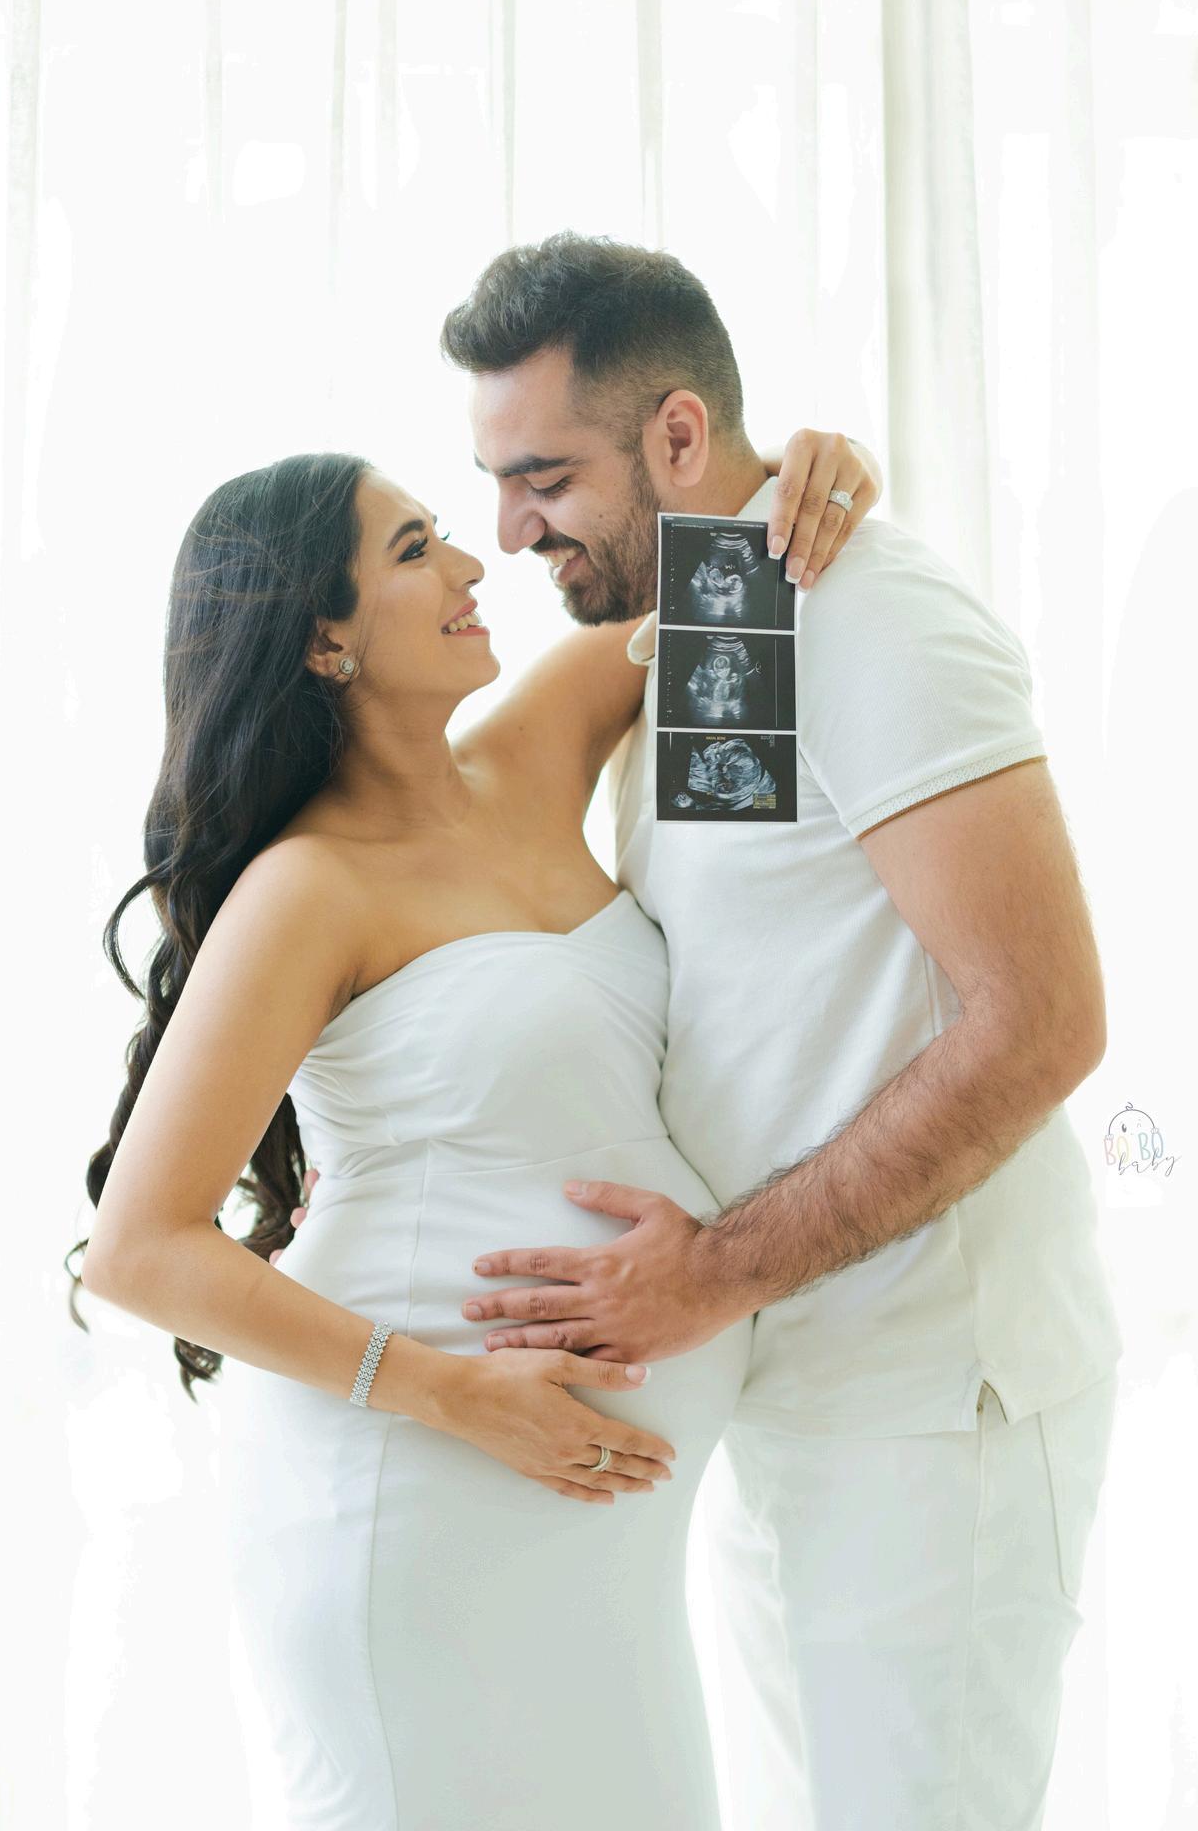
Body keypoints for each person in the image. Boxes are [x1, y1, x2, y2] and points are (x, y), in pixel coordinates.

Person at [397, 232, 1122, 1831]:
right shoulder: (719, 610)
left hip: (933, 1405)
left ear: (674, 434)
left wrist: (715, 1272)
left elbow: (1044, 1025)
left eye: (545, 479)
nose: (508, 532)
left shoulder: (874, 620)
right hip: (780, 1394)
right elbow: (744, 967)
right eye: (495, 483)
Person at [73, 413, 882, 1826]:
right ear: (324, 641)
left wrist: (826, 461)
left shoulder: (534, 748)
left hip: (604, 1526)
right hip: (419, 1484)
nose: (471, 564)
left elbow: (739, 566)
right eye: (413, 549)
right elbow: (138, 1251)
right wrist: (452, 1394)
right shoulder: (308, 889)